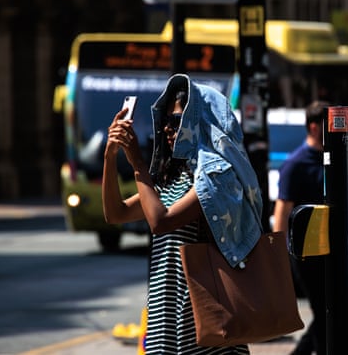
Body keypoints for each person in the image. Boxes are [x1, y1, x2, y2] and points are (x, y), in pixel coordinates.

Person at [102, 74, 261, 354]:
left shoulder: (215, 177)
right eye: (165, 122)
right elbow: (115, 213)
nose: (167, 129)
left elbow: (161, 222)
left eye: (176, 121)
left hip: (203, 319)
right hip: (167, 315)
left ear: (199, 123)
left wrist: (138, 162)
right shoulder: (171, 180)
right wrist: (110, 156)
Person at [272, 101, 348, 355]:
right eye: (327, 124)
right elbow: (282, 211)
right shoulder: (296, 163)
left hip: (334, 247)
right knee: (325, 311)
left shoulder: (335, 158)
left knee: (336, 307)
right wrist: (279, 256)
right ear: (313, 126)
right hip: (308, 252)